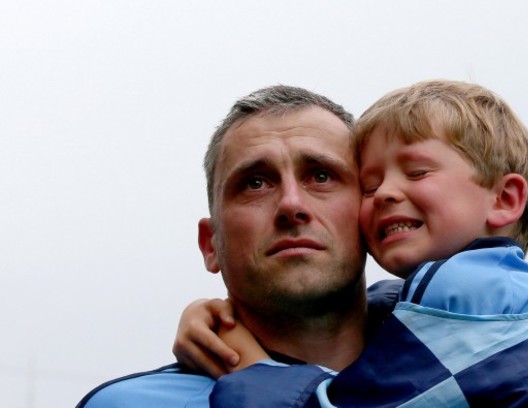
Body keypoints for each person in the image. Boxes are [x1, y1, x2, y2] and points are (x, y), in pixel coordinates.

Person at [174, 80, 528, 407]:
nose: (383, 195)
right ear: (210, 243)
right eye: (370, 183)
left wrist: (245, 359)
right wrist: (214, 315)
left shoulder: (470, 299)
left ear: (504, 199)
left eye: (416, 173)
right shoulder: (484, 303)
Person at [76, 84, 377, 407]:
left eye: (320, 176)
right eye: (255, 183)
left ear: (374, 215)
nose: (291, 204)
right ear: (210, 244)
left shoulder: (437, 362)